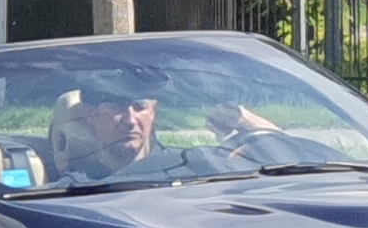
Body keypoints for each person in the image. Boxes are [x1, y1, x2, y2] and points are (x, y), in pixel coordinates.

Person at [46, 68, 283, 183]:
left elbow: (284, 155)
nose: (131, 120)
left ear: (154, 111)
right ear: (90, 115)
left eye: (140, 106)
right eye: (118, 107)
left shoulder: (191, 164)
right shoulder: (75, 186)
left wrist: (242, 119)